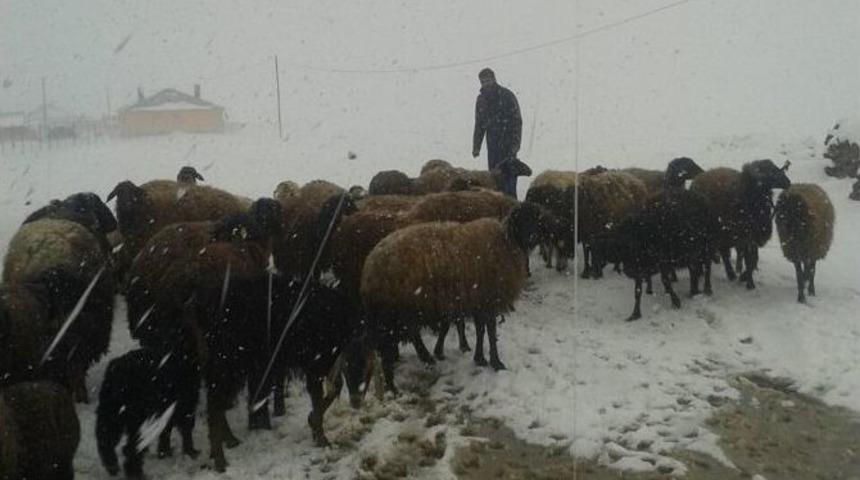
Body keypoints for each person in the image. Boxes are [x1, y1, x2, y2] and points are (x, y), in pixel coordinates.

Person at [472, 68, 523, 198]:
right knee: (494, 181)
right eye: (483, 82)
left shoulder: (507, 96)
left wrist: (515, 145)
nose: (486, 84)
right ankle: (498, 205)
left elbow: (517, 121)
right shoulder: (481, 100)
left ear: (494, 79)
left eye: (488, 80)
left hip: (508, 146)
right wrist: (476, 146)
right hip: (492, 146)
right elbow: (479, 124)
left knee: (509, 183)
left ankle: (512, 205)